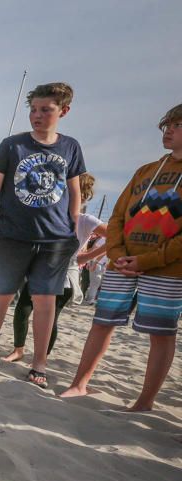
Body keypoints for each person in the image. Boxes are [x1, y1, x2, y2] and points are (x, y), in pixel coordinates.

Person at [61, 103, 182, 412]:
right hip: (122, 262)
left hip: (167, 269)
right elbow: (116, 218)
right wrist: (117, 253)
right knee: (102, 322)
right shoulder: (145, 171)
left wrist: (148, 260)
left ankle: (145, 401)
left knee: (161, 332)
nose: (168, 129)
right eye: (167, 124)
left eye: (177, 125)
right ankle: (79, 384)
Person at [0, 82, 85, 389]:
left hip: (54, 240)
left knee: (44, 301)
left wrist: (72, 227)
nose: (37, 116)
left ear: (63, 111)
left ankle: (39, 363)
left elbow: (74, 191)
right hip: (11, 236)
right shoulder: (12, 145)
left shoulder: (70, 147)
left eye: (46, 110)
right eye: (33, 109)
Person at [0, 174, 103, 363]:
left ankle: (42, 359)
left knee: (51, 317)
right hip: (39, 268)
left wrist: (87, 256)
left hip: (64, 273)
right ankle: (18, 350)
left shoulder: (86, 219)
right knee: (23, 308)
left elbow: (114, 236)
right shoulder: (50, 214)